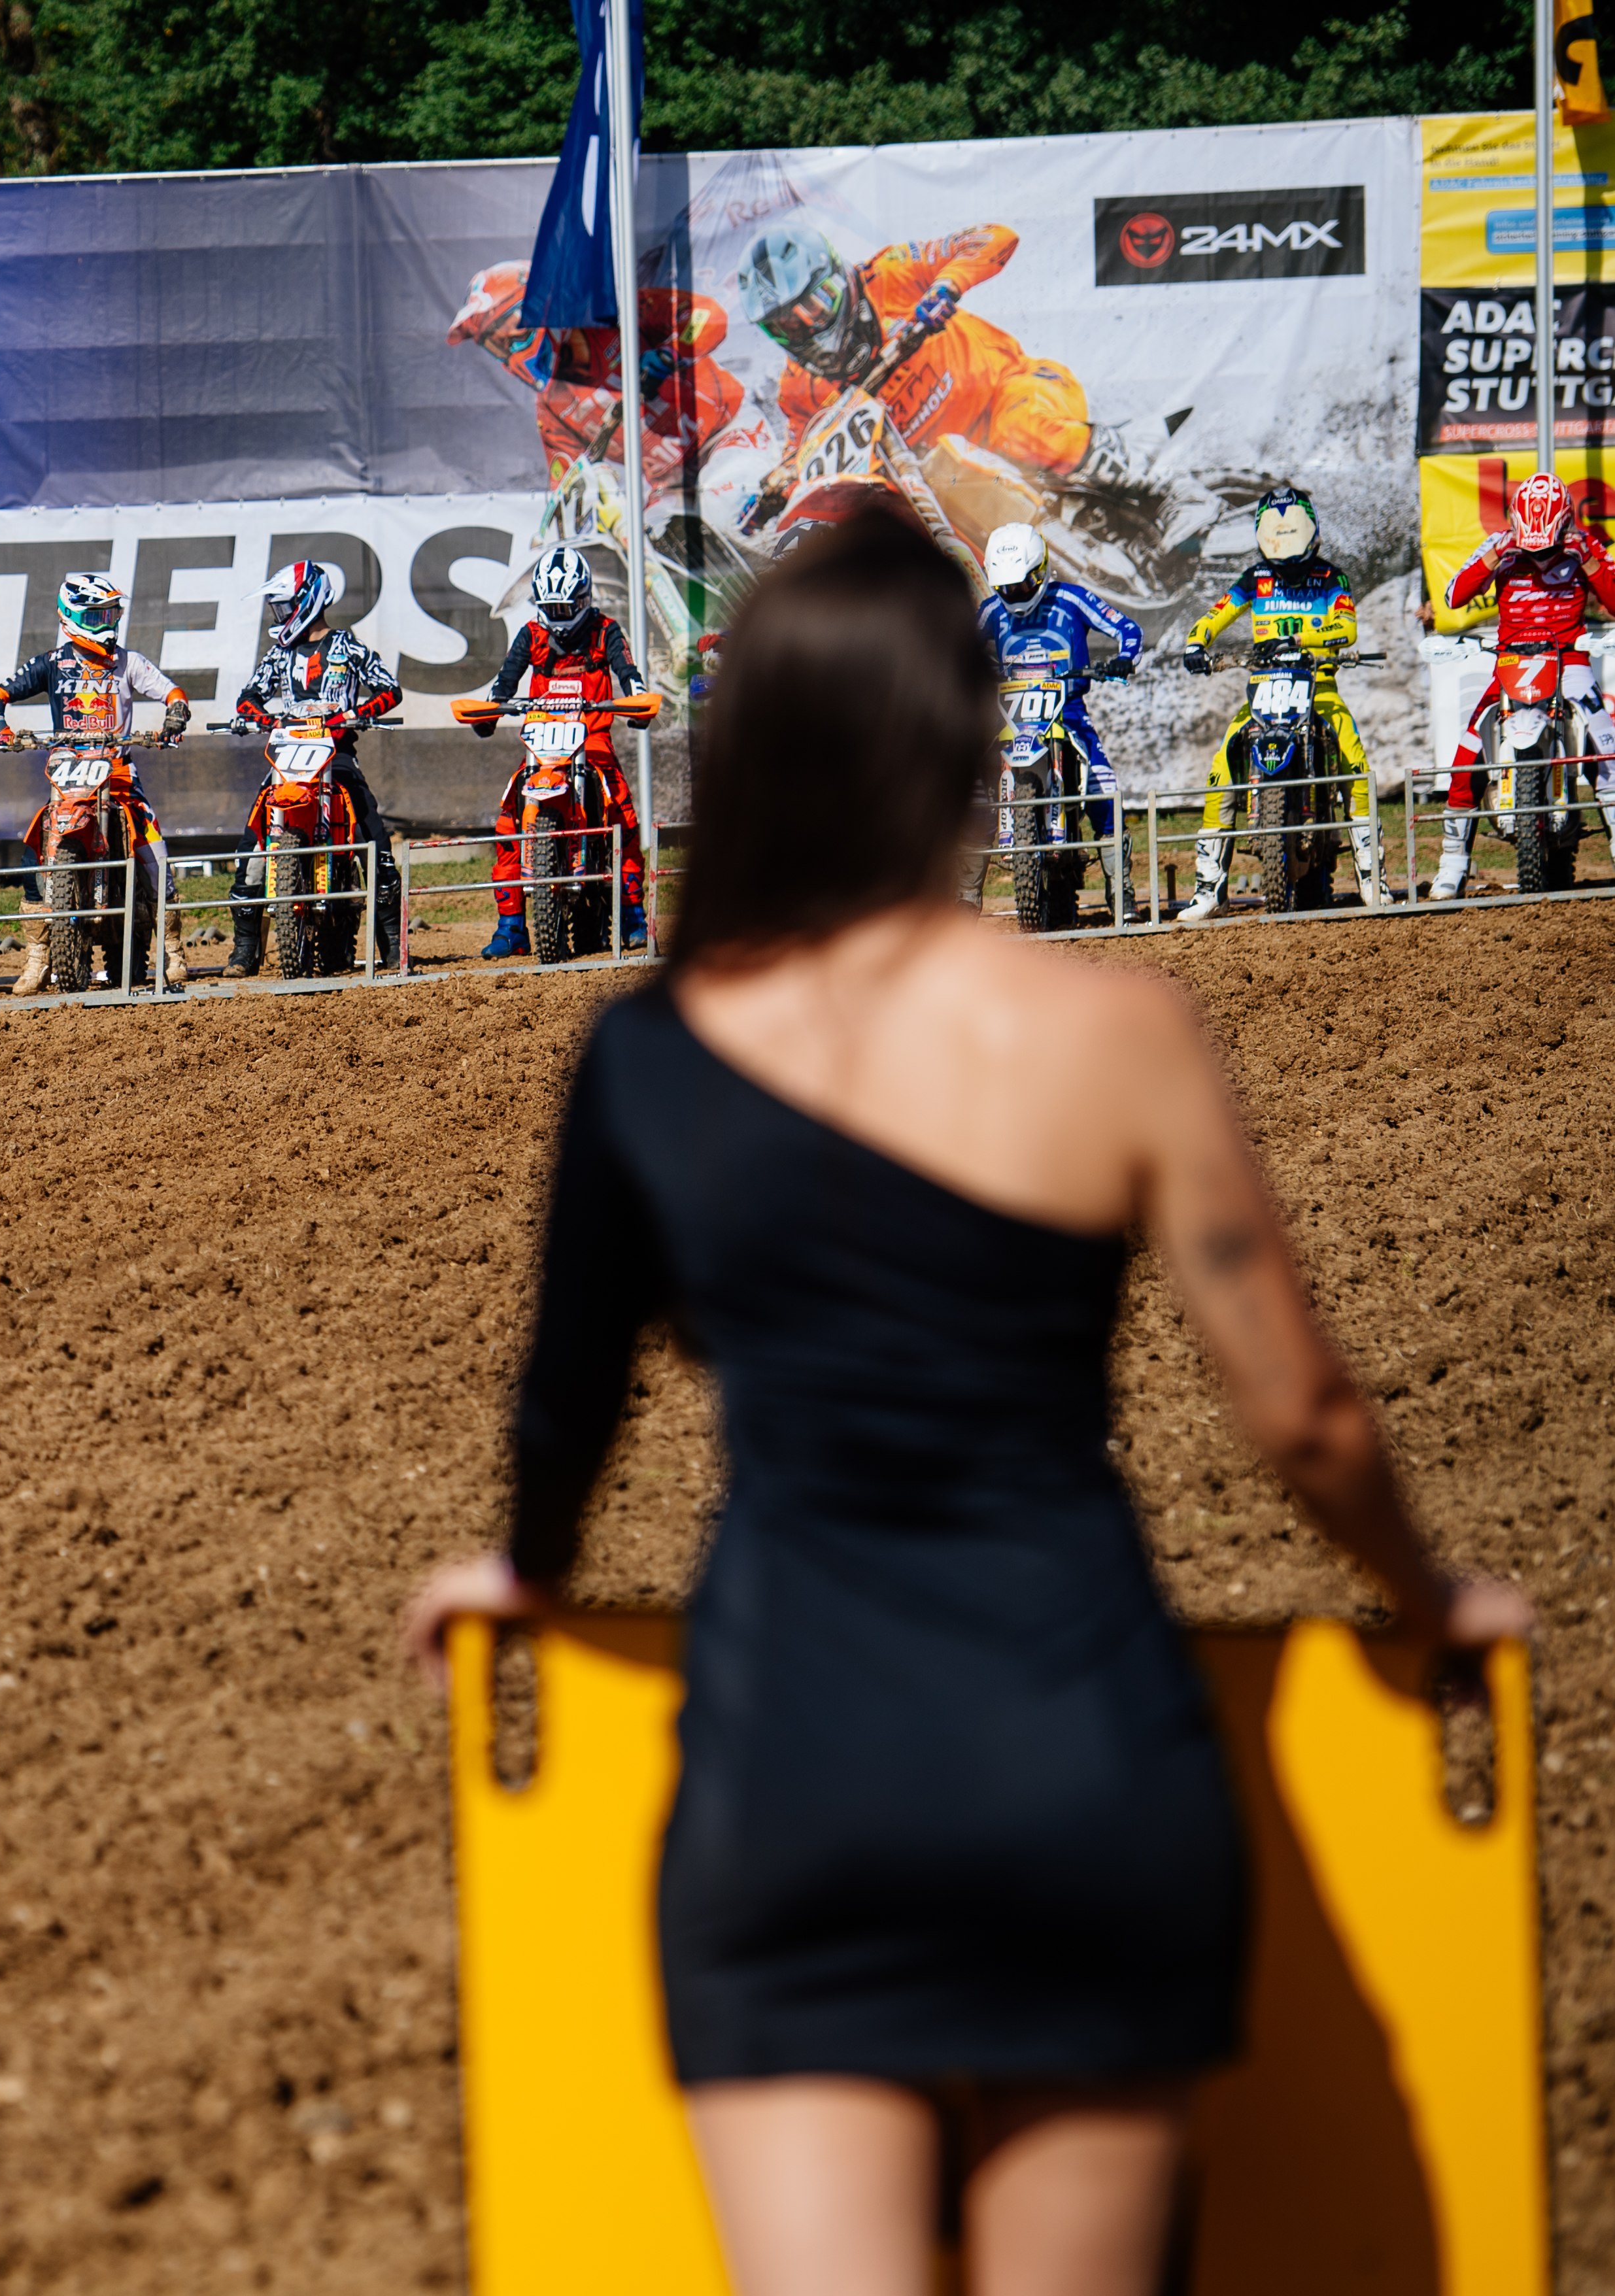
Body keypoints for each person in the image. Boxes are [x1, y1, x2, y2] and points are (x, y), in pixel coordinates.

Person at [399, 506, 1531, 2296]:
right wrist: (1428, 1595)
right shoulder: (1117, 1033)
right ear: (959, 742)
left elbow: (566, 1408)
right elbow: (1302, 1414)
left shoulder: (649, 1054)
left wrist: (523, 1573)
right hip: (1080, 1762)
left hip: (789, 1775)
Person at [735, 224, 1091, 520]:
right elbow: (804, 451)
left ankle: (1124, 469)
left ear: (838, 280)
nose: (806, 326)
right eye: (786, 324)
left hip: (1011, 391)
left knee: (1022, 430)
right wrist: (779, 485)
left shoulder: (891, 272)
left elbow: (997, 237)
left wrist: (946, 288)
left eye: (814, 306)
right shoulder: (798, 387)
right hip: (942, 475)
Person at [1178, 487, 1393, 916]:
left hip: (1320, 686)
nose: (1289, 571)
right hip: (1265, 687)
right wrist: (1196, 643)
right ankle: (1209, 890)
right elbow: (1217, 614)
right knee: (1223, 762)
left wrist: (1296, 640)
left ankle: (1373, 879)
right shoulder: (1255, 579)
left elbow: (1346, 628)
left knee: (1354, 758)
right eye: (1282, 564)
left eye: (1297, 562)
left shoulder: (1332, 578)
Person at [0, 571, 190, 994]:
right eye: (97, 616)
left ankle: (172, 950)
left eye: (112, 615)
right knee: (35, 849)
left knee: (154, 850)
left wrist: (175, 715)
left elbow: (173, 692)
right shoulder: (52, 663)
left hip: (118, 772)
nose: (107, 625)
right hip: (68, 773)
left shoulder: (128, 662)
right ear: (71, 617)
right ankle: (39, 958)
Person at [1431, 468, 1615, 900]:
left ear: (1565, 525)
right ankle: (1452, 865)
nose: (1540, 555)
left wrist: (1588, 561)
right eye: (1531, 547)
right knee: (1467, 754)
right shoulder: (1499, 545)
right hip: (1510, 663)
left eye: (1548, 547)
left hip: (1568, 660)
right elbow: (1454, 595)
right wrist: (1496, 555)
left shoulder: (1587, 545)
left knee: (1606, 746)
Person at [466, 547, 649, 957]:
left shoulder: (605, 630)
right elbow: (504, 682)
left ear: (584, 599)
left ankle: (633, 915)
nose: (558, 615)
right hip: (542, 741)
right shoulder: (531, 634)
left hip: (593, 740)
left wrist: (637, 698)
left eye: (565, 607)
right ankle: (512, 926)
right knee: (508, 820)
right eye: (551, 607)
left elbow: (628, 673)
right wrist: (491, 709)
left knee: (622, 812)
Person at [230, 560, 405, 973]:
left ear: (309, 601)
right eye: (278, 609)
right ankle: (245, 951)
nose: (280, 616)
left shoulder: (347, 646)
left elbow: (389, 690)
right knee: (252, 846)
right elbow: (247, 698)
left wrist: (354, 715)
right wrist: (263, 718)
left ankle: (393, 947)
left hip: (337, 756)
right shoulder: (280, 653)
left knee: (374, 840)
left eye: (285, 607)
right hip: (287, 757)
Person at [445, 263, 751, 490]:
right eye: (496, 345)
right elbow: (568, 486)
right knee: (653, 546)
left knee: (727, 502)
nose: (509, 351)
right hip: (670, 485)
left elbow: (705, 314)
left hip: (729, 432)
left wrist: (671, 353)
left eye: (510, 333)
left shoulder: (613, 315)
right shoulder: (551, 407)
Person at [976, 522, 1141, 907]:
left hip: (1068, 713)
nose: (1014, 595)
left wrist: (1123, 659)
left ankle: (1121, 893)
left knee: (1104, 789)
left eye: (1022, 585)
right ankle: (965, 899)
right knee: (972, 794)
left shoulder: (1071, 599)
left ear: (1040, 571)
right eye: (1005, 588)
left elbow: (1128, 629)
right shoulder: (991, 611)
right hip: (1009, 715)